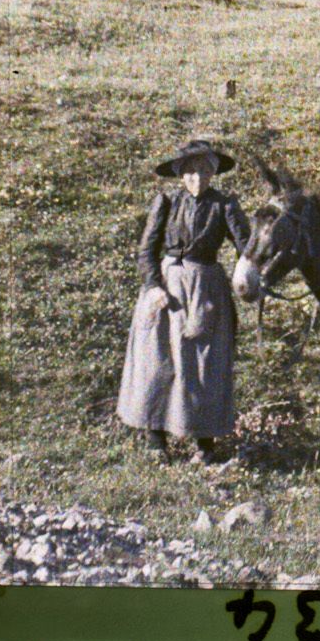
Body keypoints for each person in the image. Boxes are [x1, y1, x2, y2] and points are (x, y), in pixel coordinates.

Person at [116, 138, 252, 461]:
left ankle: (204, 444)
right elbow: (146, 250)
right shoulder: (166, 201)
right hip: (168, 289)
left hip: (206, 289)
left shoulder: (225, 205)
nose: (197, 178)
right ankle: (156, 441)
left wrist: (251, 274)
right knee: (158, 359)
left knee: (204, 364)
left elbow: (246, 247)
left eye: (204, 171)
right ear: (180, 174)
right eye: (190, 171)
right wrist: (153, 286)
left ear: (212, 173)